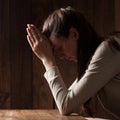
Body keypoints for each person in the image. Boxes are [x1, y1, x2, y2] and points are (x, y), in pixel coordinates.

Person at [26, 6, 120, 120]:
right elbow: (68, 102)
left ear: (74, 34)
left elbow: (66, 105)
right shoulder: (91, 61)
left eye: (59, 48)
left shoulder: (108, 49)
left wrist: (47, 60)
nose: (60, 56)